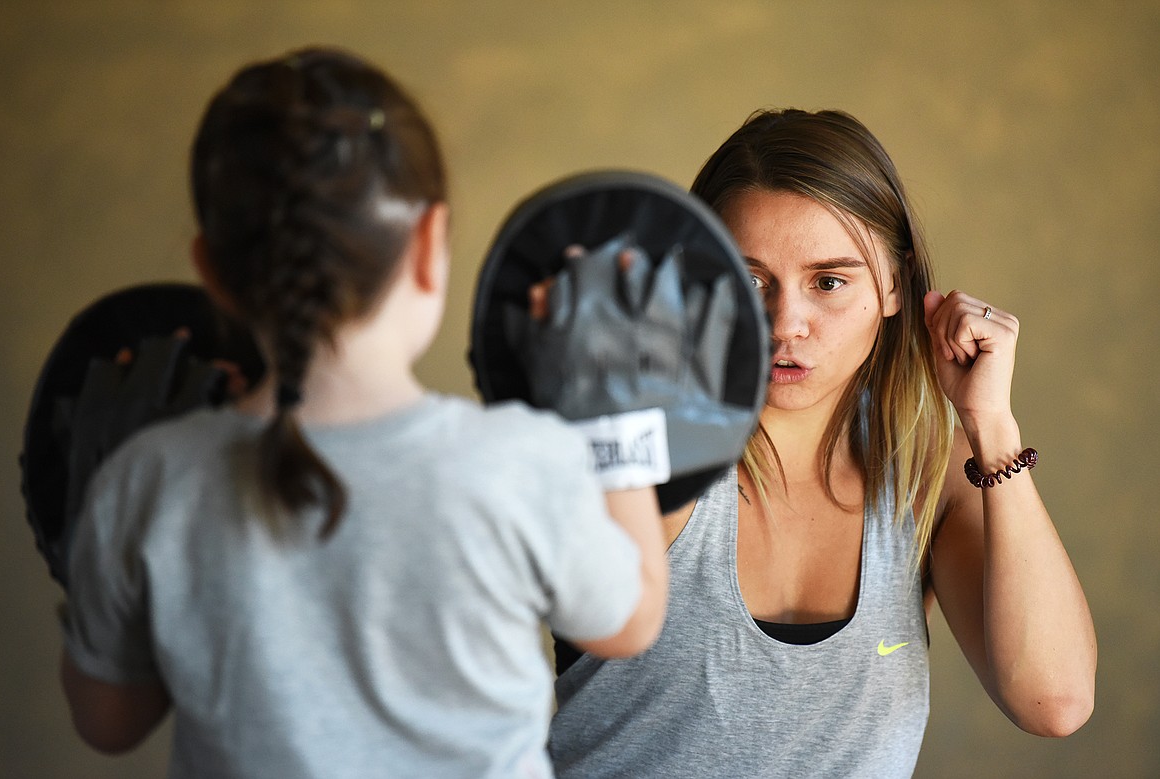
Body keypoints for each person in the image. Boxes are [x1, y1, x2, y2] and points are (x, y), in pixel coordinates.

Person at [57, 46, 668, 778]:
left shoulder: (145, 479)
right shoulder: (518, 463)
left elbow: (108, 720)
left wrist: (87, 526)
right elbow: (631, 622)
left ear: (212, 272)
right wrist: (610, 409)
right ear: (428, 244)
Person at [547, 108, 1097, 777]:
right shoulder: (647, 453)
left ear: (893, 284)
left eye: (829, 282)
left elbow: (1054, 701)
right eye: (750, 281)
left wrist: (992, 426)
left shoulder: (932, 473)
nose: (786, 324)